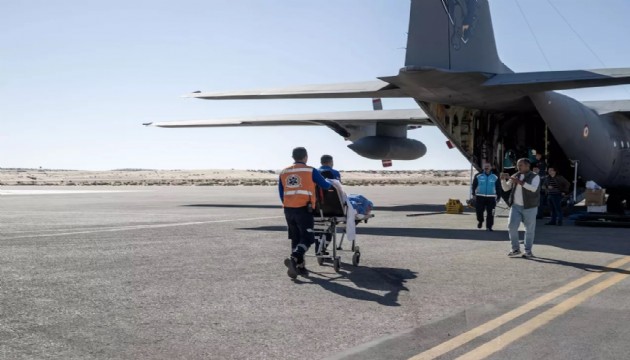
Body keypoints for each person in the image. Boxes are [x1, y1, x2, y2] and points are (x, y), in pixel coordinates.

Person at [279, 147, 331, 279]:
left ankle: (299, 267)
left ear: (293, 157)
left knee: (295, 238)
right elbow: (325, 185)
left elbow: (281, 193)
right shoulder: (310, 170)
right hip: (303, 209)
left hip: (288, 209)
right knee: (307, 238)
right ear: (305, 157)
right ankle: (294, 257)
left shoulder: (284, 172)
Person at [501, 158, 541, 258]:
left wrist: (519, 182)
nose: (518, 167)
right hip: (516, 206)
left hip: (530, 207)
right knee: (511, 226)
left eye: (521, 165)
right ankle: (515, 249)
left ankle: (528, 251)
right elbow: (506, 188)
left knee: (529, 229)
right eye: (518, 165)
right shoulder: (515, 176)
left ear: (528, 166)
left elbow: (533, 189)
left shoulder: (535, 176)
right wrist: (502, 180)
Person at [471, 162, 501, 231]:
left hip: (491, 198)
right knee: (479, 211)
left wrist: (499, 196)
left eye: (488, 166)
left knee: (491, 213)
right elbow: (474, 186)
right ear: (483, 167)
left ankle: (489, 227)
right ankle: (480, 221)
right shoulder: (478, 175)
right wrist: (473, 194)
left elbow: (498, 187)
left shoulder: (495, 176)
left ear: (491, 167)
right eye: (485, 166)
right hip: (480, 197)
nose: (486, 167)